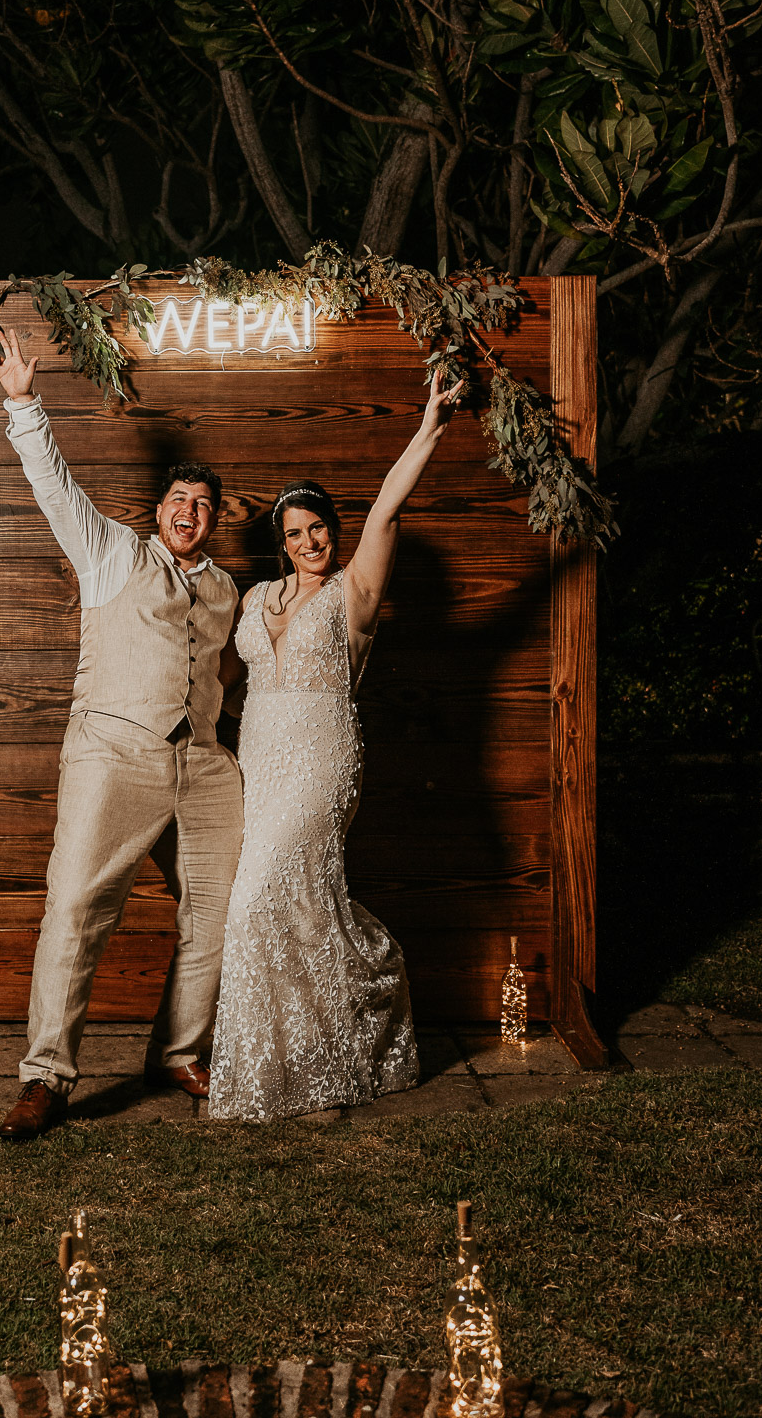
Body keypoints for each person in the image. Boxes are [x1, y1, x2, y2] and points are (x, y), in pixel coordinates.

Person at [0, 325, 244, 1140]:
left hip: (201, 763)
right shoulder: (112, 555)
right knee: (75, 905)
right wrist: (25, 402)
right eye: (179, 501)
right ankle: (46, 1079)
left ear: (215, 519)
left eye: (204, 506)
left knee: (217, 910)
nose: (190, 514)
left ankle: (177, 1051)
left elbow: (230, 676)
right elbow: (54, 486)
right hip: (114, 753)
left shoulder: (232, 590)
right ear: (159, 509)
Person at [207, 369, 464, 1122]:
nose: (309, 541)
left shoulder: (355, 592)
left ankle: (288, 1066)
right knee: (284, 907)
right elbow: (219, 679)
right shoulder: (255, 600)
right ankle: (307, 1059)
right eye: (295, 534)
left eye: (318, 527)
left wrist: (430, 423)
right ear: (280, 544)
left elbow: (389, 505)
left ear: (332, 530)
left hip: (322, 760)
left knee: (262, 900)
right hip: (258, 756)